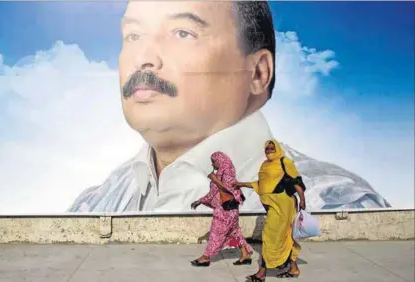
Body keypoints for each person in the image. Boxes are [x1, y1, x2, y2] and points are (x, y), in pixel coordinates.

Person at [67, 1, 390, 214]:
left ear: (258, 72)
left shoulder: (334, 205)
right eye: (133, 36)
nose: (144, 58)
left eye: (182, 33)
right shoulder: (95, 206)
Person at [233, 139, 306, 281]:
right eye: (267, 148)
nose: (270, 150)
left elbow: (297, 181)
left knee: (269, 237)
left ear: (277, 148)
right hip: (271, 206)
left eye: (272, 148)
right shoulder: (265, 165)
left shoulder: (285, 162)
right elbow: (261, 184)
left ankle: (261, 273)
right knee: (284, 237)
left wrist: (302, 199)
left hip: (283, 205)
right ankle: (293, 268)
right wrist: (241, 184)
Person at [190, 151, 253, 267]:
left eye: (214, 162)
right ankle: (245, 253)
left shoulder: (228, 171)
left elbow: (228, 188)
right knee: (233, 234)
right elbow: (214, 192)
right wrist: (201, 200)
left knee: (216, 234)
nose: (213, 165)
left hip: (226, 211)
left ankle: (206, 257)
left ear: (220, 161)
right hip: (226, 209)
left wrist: (214, 179)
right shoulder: (221, 172)